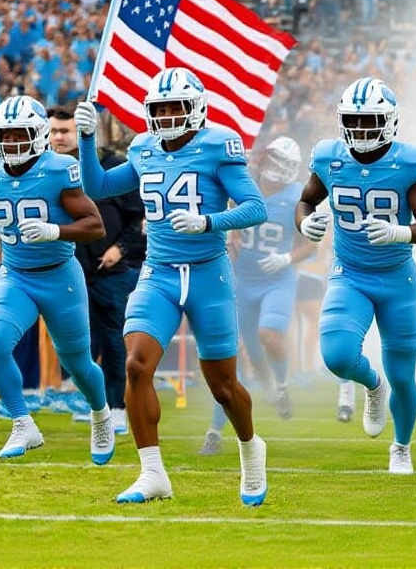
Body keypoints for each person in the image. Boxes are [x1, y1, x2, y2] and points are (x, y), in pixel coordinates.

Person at [75, 68, 270, 504]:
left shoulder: (218, 144)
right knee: (136, 365)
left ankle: (250, 447)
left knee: (223, 386)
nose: (165, 115)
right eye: (158, 108)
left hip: (208, 272)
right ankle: (152, 474)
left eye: (173, 107)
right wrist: (87, 141)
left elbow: (256, 208)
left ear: (196, 109)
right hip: (159, 271)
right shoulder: (143, 146)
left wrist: (209, 222)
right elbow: (99, 186)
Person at [295, 77, 416, 475]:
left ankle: (402, 447)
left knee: (404, 375)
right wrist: (305, 224)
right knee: (338, 356)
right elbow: (307, 200)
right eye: (354, 121)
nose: (360, 130)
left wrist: (402, 233)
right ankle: (373, 385)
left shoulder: (409, 161)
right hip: (350, 274)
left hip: (397, 279)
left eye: (370, 120)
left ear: (389, 122)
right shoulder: (329, 156)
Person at [0, 97, 113, 461]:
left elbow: (95, 226)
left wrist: (53, 230)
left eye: (20, 133)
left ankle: (101, 413)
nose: (12, 141)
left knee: (77, 364)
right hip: (15, 275)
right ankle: (22, 422)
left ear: (39, 134)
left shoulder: (59, 168)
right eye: (5, 134)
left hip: (60, 277)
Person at [202, 136, 315, 456]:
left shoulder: (297, 197)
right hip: (242, 280)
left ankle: (279, 387)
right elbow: (234, 220)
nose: (276, 170)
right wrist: (231, 238)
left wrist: (287, 258)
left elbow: (310, 243)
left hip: (277, 279)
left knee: (269, 336)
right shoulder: (246, 186)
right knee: (231, 355)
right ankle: (217, 427)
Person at [48, 105, 144, 437]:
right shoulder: (50, 171)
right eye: (53, 132)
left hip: (114, 271)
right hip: (71, 271)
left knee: (115, 340)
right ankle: (96, 405)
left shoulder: (113, 167)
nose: (58, 138)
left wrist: (121, 248)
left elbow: (138, 218)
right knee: (80, 342)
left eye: (65, 131)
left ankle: (118, 407)